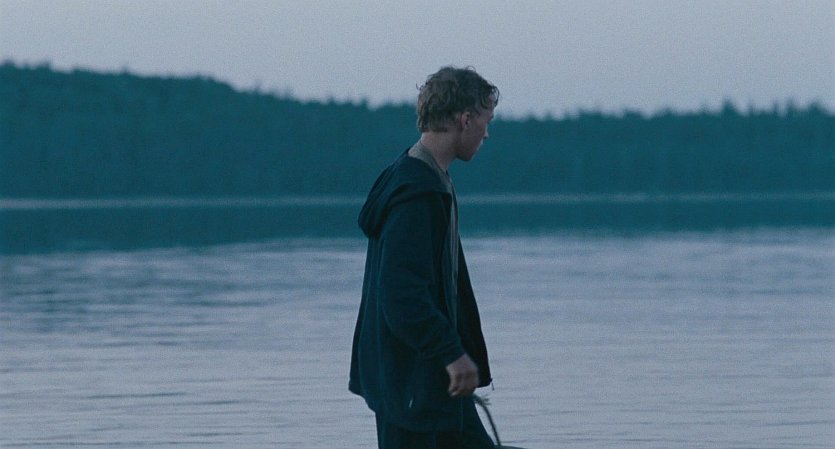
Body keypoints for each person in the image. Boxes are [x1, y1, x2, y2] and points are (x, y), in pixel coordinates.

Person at [349, 66, 499, 449]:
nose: (486, 133)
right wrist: (452, 354)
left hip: (435, 380)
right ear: (465, 119)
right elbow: (401, 295)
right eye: (486, 121)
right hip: (411, 381)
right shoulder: (416, 191)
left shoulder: (430, 179)